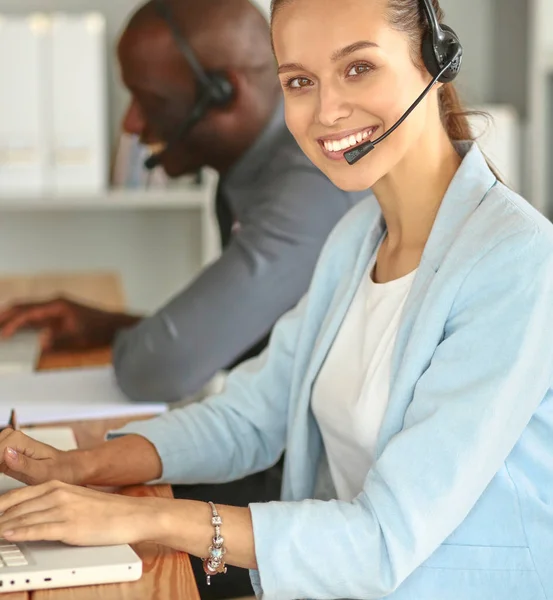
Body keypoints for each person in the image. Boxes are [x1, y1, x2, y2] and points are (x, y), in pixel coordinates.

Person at [1, 0, 553, 599]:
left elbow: (382, 540)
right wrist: (78, 466)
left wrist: (141, 517)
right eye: (299, 81)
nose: (327, 111)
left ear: (435, 60)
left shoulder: (516, 261)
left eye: (358, 68)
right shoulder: (355, 239)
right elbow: (251, 414)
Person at [0, 0, 365, 405]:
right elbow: (254, 341)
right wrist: (112, 327)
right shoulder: (257, 168)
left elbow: (159, 371)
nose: (131, 123)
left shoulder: (314, 182)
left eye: (150, 101)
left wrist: (146, 344)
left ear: (225, 93)